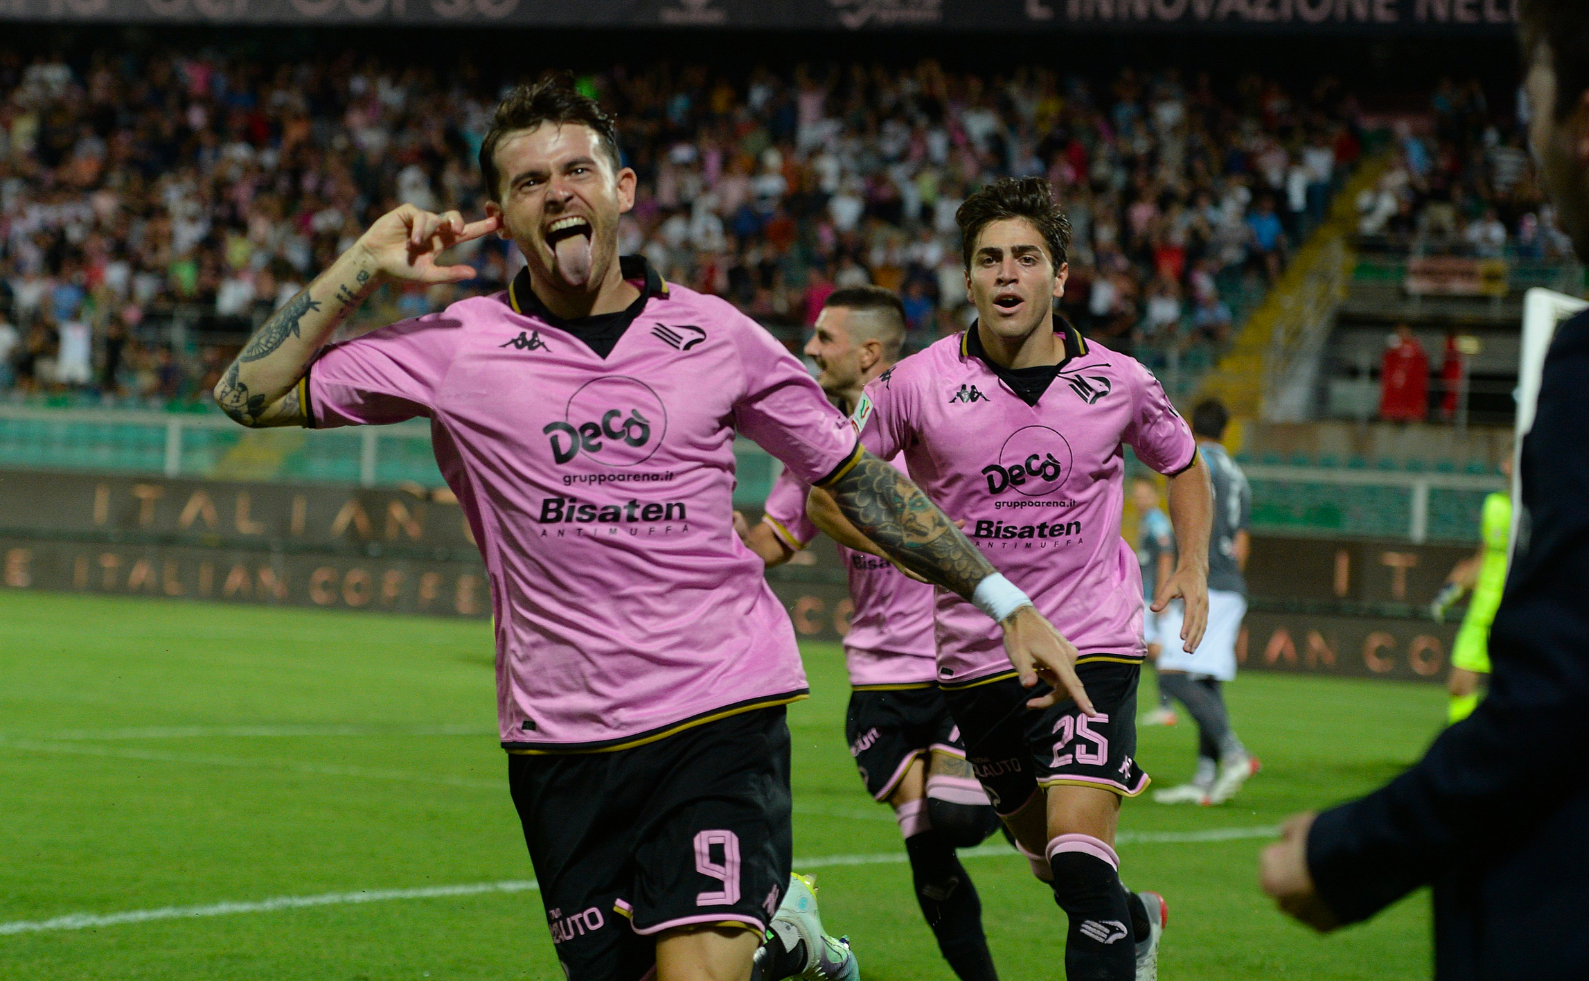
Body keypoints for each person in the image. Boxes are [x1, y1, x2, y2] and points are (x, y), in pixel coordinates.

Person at [212, 76, 1083, 981]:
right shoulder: (453, 345)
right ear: (500, 217)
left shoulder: (717, 335)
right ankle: (785, 947)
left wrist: (1003, 598)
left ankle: (757, 940)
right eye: (528, 181)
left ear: (622, 190)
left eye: (577, 169)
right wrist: (362, 260)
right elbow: (248, 393)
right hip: (559, 736)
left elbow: (852, 477)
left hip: (719, 706)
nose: (558, 192)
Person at [1261, 0, 1589, 977]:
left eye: (1530, 110)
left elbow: (1559, 698)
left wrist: (1345, 852)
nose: (1527, 153)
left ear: (1588, 124)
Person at [810, 177, 1215, 981]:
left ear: (1059, 277)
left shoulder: (1120, 380)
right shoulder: (913, 384)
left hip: (1092, 641)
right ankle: (1135, 921)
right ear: (966, 279)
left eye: (1026, 258)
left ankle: (1115, 922)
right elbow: (831, 487)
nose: (1006, 274)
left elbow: (1185, 462)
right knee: (1049, 864)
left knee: (1078, 855)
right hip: (974, 663)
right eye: (989, 259)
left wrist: (1194, 563)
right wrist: (915, 552)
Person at [742, 285, 1002, 981]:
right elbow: (775, 538)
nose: (810, 348)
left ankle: (1117, 906)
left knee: (959, 821)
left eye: (824, 338)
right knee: (930, 853)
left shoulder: (937, 422)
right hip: (879, 679)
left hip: (958, 666)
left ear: (871, 351)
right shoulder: (810, 435)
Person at [1150, 400, 1258, 806]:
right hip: (1230, 582)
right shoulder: (1240, 475)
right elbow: (1242, 539)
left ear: (1191, 427)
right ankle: (1204, 778)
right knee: (1206, 680)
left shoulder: (1192, 463)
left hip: (1205, 581)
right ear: (1227, 429)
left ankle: (1234, 754)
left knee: (1172, 673)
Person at [1429, 458, 1513, 723]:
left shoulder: (1543, 506)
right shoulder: (1495, 505)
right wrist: (1454, 590)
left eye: (1510, 460)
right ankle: (1461, 748)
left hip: (1520, 607)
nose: (1503, 466)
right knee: (1459, 684)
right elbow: (1484, 556)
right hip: (1483, 607)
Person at [1131, 478, 1180, 729]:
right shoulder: (1146, 521)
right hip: (1147, 594)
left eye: (1144, 495)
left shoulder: (1157, 522)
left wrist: (1163, 595)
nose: (1139, 500)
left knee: (1154, 649)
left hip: (1153, 596)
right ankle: (1165, 706)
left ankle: (1166, 706)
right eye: (1136, 495)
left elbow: (1165, 556)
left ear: (1155, 496)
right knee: (1152, 649)